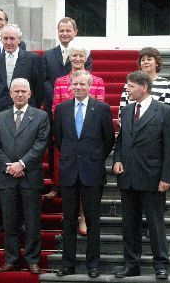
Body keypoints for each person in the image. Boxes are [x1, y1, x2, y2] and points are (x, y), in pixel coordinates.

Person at [113, 70, 170, 280]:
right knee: (129, 226)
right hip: (128, 178)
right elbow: (121, 141)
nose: (127, 90)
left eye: (130, 86)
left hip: (153, 179)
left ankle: (161, 265)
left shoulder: (165, 112)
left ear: (144, 87)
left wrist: (166, 178)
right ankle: (131, 264)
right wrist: (117, 160)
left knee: (155, 224)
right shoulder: (128, 110)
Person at [53, 70, 115, 278]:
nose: (78, 87)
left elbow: (108, 140)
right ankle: (67, 264)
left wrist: (94, 157)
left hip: (92, 171)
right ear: (70, 85)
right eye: (75, 84)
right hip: (69, 171)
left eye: (82, 84)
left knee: (92, 220)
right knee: (68, 220)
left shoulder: (102, 109)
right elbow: (59, 139)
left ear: (90, 86)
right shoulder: (61, 109)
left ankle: (93, 265)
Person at [45, 46, 105, 235]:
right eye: (74, 55)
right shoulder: (61, 81)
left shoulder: (97, 81)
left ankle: (84, 217)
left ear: (86, 58)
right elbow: (56, 109)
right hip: (68, 139)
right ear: (69, 58)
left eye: (81, 55)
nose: (77, 58)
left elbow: (100, 109)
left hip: (89, 140)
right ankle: (71, 215)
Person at [0, 78, 49, 275]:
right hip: (7, 177)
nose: (20, 94)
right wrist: (10, 167)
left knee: (32, 221)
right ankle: (11, 259)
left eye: (23, 91)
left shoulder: (41, 116)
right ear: (10, 94)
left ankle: (33, 260)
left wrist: (22, 164)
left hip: (30, 176)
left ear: (30, 93)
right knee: (10, 222)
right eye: (16, 91)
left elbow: (41, 144)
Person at [42, 17, 93, 199]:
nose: (64, 33)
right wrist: (56, 94)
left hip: (79, 103)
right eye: (61, 30)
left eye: (68, 30)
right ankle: (56, 184)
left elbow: (87, 77)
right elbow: (45, 78)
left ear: (75, 32)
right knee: (55, 145)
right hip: (55, 104)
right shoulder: (48, 55)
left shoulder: (83, 53)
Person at [0, 24, 44, 117]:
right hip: (0, 113)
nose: (8, 42)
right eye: (5, 38)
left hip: (26, 112)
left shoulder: (32, 59)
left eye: (12, 38)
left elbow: (39, 89)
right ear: (1, 39)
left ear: (19, 39)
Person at [118, 47, 170, 123]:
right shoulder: (130, 83)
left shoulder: (167, 84)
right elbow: (123, 107)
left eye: (149, 59)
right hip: (133, 125)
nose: (145, 62)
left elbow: (169, 111)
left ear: (157, 63)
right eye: (142, 60)